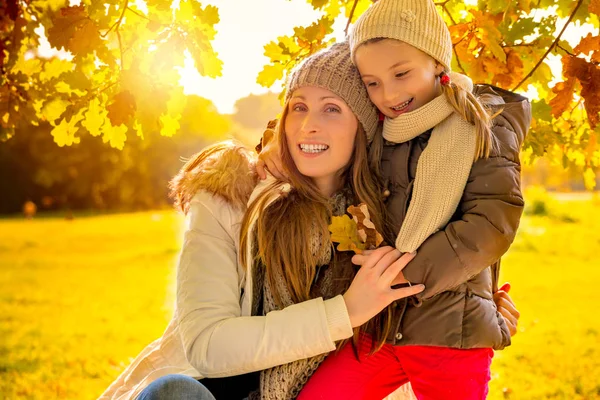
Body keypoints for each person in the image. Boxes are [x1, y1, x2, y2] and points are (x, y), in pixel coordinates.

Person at [99, 41, 427, 400]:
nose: (308, 126)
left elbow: (452, 104)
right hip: (211, 390)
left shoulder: (380, 220)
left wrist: (483, 314)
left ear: (363, 128)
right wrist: (343, 312)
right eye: (298, 107)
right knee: (174, 394)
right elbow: (208, 346)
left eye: (331, 109)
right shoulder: (230, 196)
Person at [279, 0, 531, 398]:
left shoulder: (483, 127)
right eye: (372, 82)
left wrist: (403, 274)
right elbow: (331, 144)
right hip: (380, 328)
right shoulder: (383, 133)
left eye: (401, 74)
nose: (389, 93)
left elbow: (491, 224)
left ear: (437, 63)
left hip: (451, 333)